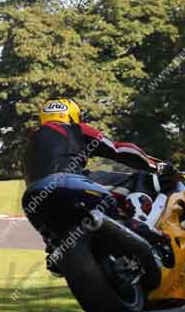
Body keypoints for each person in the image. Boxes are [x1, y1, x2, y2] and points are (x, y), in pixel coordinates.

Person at [22, 98, 176, 273]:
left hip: (33, 198)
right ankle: (137, 223)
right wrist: (155, 165)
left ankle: (56, 248)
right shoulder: (75, 128)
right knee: (140, 179)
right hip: (71, 182)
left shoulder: (30, 145)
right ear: (72, 116)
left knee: (53, 237)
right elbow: (119, 149)